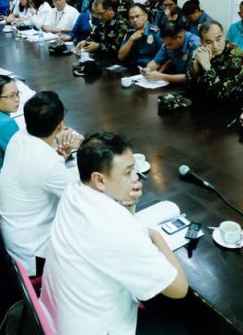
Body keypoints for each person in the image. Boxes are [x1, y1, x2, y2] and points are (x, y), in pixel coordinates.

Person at [39, 131, 188, 334]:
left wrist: (128, 203)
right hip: (97, 327)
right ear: (99, 180)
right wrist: (157, 237)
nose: (135, 177)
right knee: (187, 319)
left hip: (58, 316)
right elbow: (179, 288)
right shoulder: (118, 231)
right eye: (127, 172)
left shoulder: (74, 188)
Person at [0, 91, 84, 276]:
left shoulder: (19, 137)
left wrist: (57, 150)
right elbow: (83, 197)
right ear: (60, 126)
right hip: (31, 253)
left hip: (6, 230)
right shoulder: (49, 165)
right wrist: (81, 148)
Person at [185, 21, 243, 105]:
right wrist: (196, 66)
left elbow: (223, 94)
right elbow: (188, 87)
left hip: (236, 106)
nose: (215, 46)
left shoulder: (237, 55)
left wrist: (207, 67)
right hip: (206, 103)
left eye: (218, 39)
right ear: (202, 42)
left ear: (224, 35)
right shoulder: (201, 51)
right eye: (209, 42)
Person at [118, 4, 162, 68]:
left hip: (151, 69)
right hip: (133, 68)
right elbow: (120, 56)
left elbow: (165, 56)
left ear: (146, 16)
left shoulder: (155, 32)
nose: (135, 20)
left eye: (137, 16)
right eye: (131, 18)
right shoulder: (130, 33)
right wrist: (131, 39)